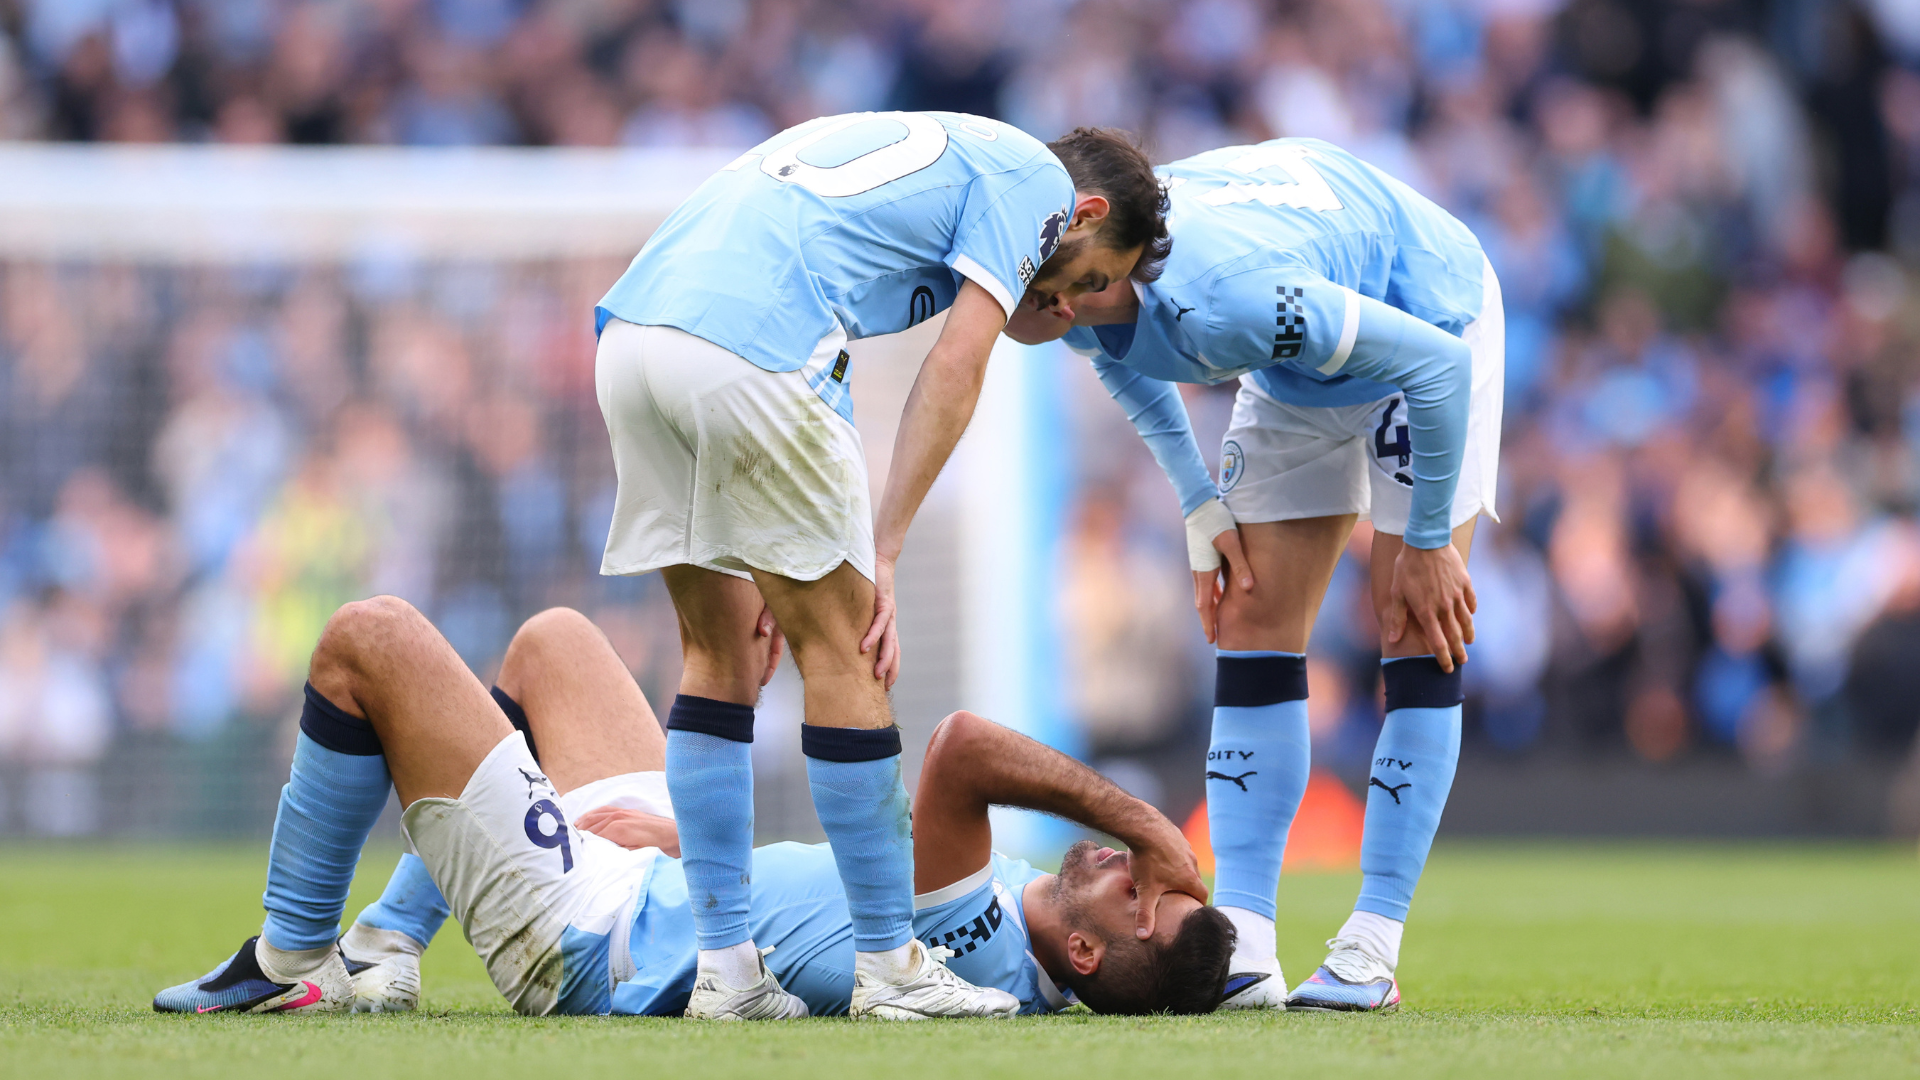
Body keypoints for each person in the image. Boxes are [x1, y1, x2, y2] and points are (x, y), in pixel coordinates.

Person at [590, 111, 1180, 1019]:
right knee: (851, 649)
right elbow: (955, 365)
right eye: (1089, 279)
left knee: (720, 656)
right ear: (1087, 209)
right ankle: (890, 968)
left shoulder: (953, 157)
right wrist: (886, 548)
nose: (1067, 310)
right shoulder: (1036, 186)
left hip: (635, 337)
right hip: (757, 341)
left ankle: (728, 973)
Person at [153, 597, 1235, 1018]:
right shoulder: (1011, 917)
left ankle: (289, 964)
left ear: (1088, 957)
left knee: (369, 640)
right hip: (670, 879)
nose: (1132, 867)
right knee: (555, 645)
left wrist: (1149, 820)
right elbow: (818, 899)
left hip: (591, 933)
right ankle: (387, 944)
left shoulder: (985, 939)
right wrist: (701, 842)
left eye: (1139, 893)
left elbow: (961, 750)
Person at [1006, 137, 1503, 1012]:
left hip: (1421, 322)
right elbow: (1124, 366)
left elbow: (1437, 365)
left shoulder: (1220, 299)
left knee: (1412, 619)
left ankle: (1371, 946)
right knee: (1252, 614)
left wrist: (1430, 542)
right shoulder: (1074, 269)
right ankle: (1245, 938)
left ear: (1099, 239)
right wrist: (1200, 507)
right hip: (1295, 353)